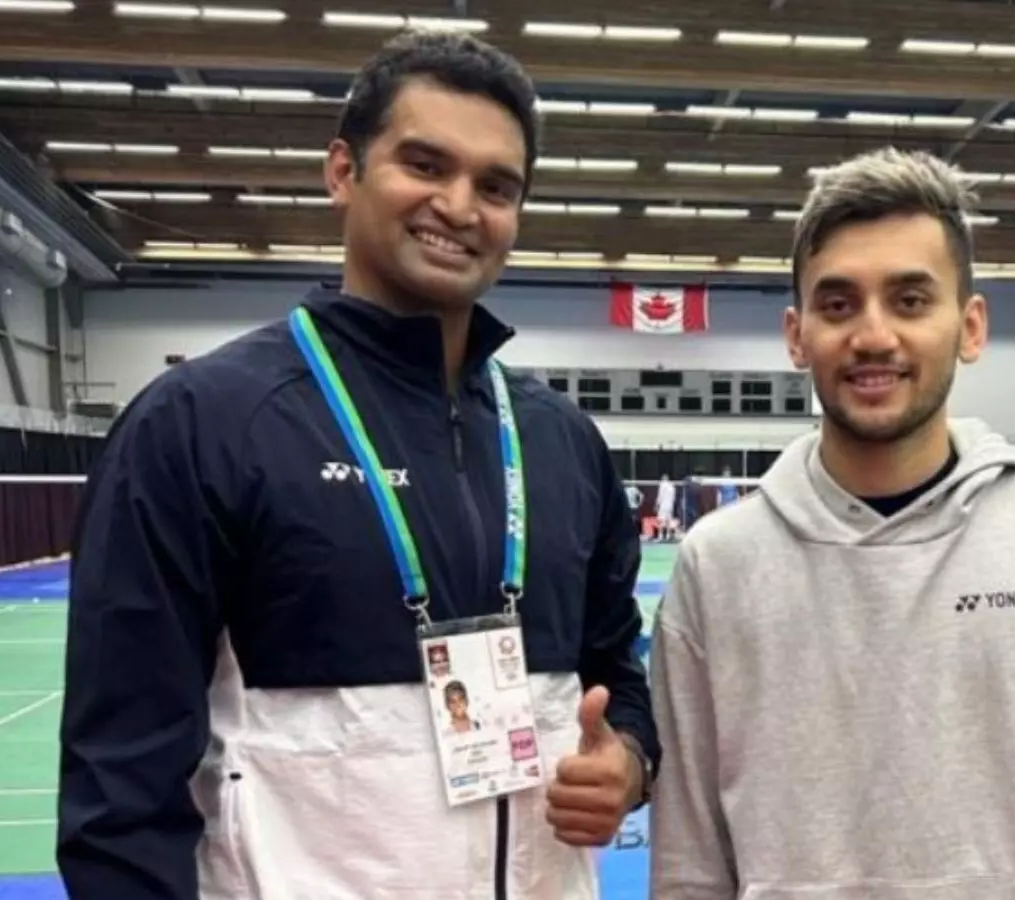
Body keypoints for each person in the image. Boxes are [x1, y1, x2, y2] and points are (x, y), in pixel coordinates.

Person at [56, 32, 657, 900]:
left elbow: (619, 674)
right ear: (343, 172)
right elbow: (121, 790)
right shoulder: (199, 424)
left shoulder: (563, 442)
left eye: (497, 186)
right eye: (425, 164)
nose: (459, 205)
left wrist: (629, 764)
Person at [648, 148, 1015, 899]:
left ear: (970, 326)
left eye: (910, 300)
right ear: (796, 334)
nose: (874, 335)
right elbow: (690, 864)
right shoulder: (718, 565)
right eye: (839, 304)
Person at [655, 474, 678, 541]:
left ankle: (661, 536)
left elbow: (660, 496)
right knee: (669, 520)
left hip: (663, 505)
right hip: (670, 505)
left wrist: (657, 505)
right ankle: (668, 536)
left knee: (662, 521)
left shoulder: (662, 485)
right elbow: (674, 498)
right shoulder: (672, 486)